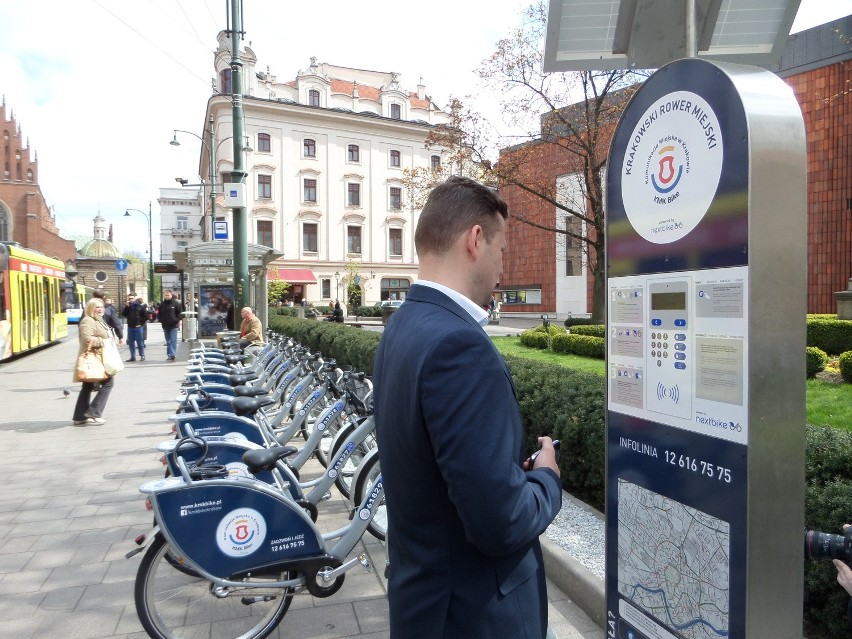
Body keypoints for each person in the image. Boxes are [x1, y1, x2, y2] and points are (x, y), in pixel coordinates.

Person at [372, 176, 562, 638]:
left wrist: (498, 472)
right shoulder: (459, 344)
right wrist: (546, 479)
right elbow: (501, 524)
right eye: (501, 248)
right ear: (475, 240)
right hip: (473, 617)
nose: (503, 266)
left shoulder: (402, 326)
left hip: (423, 603)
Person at [71, 298, 115, 425]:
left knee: (87, 386)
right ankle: (94, 412)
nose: (100, 309)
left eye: (101, 307)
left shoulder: (98, 320)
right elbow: (87, 339)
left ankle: (79, 416)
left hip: (98, 357)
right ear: (90, 308)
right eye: (97, 307)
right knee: (108, 383)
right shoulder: (88, 321)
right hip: (93, 358)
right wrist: (104, 341)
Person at [157, 289, 183, 361]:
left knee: (173, 340)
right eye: (165, 295)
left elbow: (180, 313)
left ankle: (173, 354)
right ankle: (169, 354)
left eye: (168, 295)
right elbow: (159, 315)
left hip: (174, 325)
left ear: (171, 295)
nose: (167, 296)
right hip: (165, 326)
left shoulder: (176, 303)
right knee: (168, 341)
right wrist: (161, 321)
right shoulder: (162, 305)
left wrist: (177, 320)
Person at [122, 295, 147, 361]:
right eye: (129, 299)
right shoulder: (128, 307)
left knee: (140, 342)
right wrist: (126, 307)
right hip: (130, 327)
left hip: (138, 327)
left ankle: (142, 355)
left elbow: (145, 317)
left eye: (132, 298)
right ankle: (132, 356)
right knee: (131, 342)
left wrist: (140, 324)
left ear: (135, 299)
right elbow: (124, 314)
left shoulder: (140, 307)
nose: (130, 300)